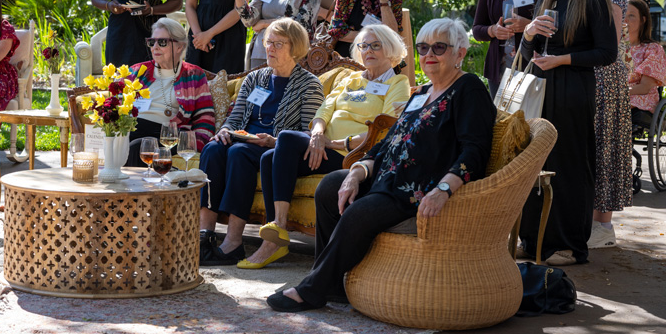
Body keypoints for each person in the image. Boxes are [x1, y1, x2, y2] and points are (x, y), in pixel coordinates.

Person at [265, 18, 495, 312]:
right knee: (331, 185)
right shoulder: (422, 92)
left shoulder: (468, 88)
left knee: (360, 211)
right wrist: (358, 172)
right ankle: (333, 285)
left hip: (416, 188)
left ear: (460, 52)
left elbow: (476, 149)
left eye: (439, 47)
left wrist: (444, 189)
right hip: (387, 178)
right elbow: (389, 141)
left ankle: (312, 288)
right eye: (423, 48)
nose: (429, 55)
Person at [239, 24, 411, 269]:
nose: (368, 51)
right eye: (363, 46)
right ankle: (276, 236)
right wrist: (317, 135)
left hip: (352, 154)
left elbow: (384, 130)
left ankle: (278, 227)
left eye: (376, 45)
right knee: (269, 157)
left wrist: (335, 142)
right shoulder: (351, 79)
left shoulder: (398, 84)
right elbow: (324, 110)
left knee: (286, 138)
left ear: (391, 50)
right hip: (323, 148)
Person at [519, 0, 618, 266]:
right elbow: (526, 50)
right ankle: (533, 240)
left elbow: (607, 53)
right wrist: (530, 32)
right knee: (534, 163)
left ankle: (570, 244)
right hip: (538, 87)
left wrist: (562, 58)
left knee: (568, 165)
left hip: (573, 90)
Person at [198, 18, 324, 265]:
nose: (270, 49)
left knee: (239, 154)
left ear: (295, 47)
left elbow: (304, 134)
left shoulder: (310, 85)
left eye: (278, 44)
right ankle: (205, 236)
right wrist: (224, 130)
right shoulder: (255, 78)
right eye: (268, 43)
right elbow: (235, 117)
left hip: (272, 148)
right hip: (242, 140)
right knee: (213, 148)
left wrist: (274, 141)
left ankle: (233, 241)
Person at [585, 0, 634, 250]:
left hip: (604, 76)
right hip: (586, 74)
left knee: (603, 148)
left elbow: (612, 41)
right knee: (589, 148)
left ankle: (602, 225)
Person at [125, 18, 216, 167]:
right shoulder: (138, 71)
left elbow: (204, 116)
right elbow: (119, 103)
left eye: (162, 43)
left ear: (179, 46)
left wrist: (195, 145)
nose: (155, 47)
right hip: (133, 128)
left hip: (167, 134)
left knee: (136, 146)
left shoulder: (193, 75)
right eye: (152, 42)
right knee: (122, 140)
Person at [626, 0, 666, 125]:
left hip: (640, 98)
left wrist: (617, 93)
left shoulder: (652, 49)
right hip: (616, 94)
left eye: (631, 15)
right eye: (622, 14)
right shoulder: (613, 48)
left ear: (642, 20)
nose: (625, 19)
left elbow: (644, 87)